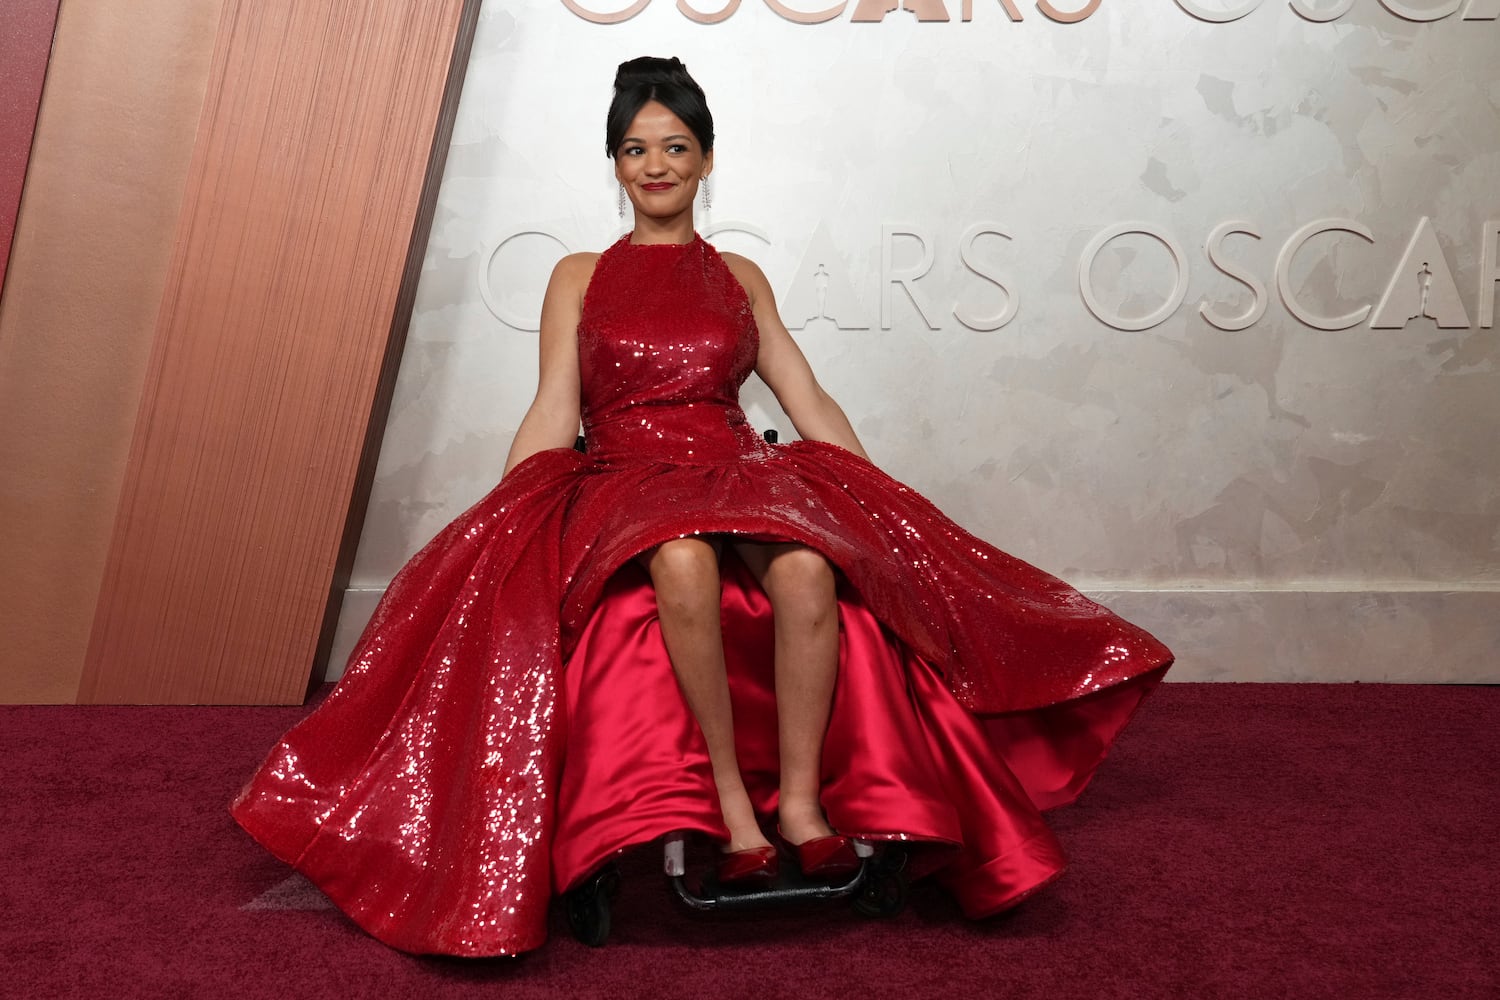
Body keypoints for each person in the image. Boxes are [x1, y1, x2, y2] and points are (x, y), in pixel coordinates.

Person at [231, 56, 1172, 959]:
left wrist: (877, 498)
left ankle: (801, 806)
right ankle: (729, 809)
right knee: (679, 558)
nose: (657, 166)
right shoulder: (577, 275)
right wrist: (507, 511)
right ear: (615, 166)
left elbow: (808, 400)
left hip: (737, 468)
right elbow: (557, 407)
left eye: (676, 147)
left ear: (707, 159)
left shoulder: (742, 278)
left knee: (809, 566)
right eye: (637, 149)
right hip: (628, 478)